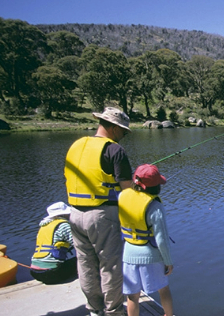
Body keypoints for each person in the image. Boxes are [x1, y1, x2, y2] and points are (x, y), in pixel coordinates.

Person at [64, 107, 133, 316]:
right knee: (110, 266)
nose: (124, 135)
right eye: (123, 131)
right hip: (102, 216)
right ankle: (113, 311)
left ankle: (94, 309)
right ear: (112, 128)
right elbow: (127, 191)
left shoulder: (76, 145)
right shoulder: (114, 150)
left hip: (74, 214)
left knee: (85, 264)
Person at [119, 164, 174, 316]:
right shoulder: (155, 206)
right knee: (164, 289)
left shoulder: (122, 196)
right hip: (151, 256)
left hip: (128, 253)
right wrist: (168, 261)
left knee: (132, 296)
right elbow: (161, 239)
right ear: (156, 186)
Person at [30, 202, 77, 284]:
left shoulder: (43, 226)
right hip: (53, 273)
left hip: (35, 273)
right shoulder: (64, 225)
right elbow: (79, 245)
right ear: (63, 214)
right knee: (83, 261)